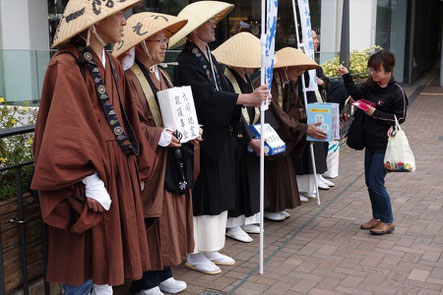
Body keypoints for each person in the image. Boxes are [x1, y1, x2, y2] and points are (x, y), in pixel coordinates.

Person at [31, 0, 157, 294]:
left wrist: (136, 165)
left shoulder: (112, 64)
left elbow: (129, 122)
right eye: (119, 15)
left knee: (109, 252)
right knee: (85, 252)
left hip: (118, 168)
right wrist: (88, 178)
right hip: (88, 172)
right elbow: (65, 128)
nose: (125, 22)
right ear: (94, 22)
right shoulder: (65, 63)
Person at [170, 1, 270, 274]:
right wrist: (245, 98)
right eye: (208, 22)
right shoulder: (187, 61)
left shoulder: (210, 59)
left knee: (220, 193)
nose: (214, 25)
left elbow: (225, 95)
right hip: (203, 139)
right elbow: (205, 97)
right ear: (193, 30)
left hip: (222, 137)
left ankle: (211, 247)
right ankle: (195, 252)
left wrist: (247, 133)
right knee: (205, 195)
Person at [113, 13, 197, 295]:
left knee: (170, 216)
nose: (165, 46)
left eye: (165, 40)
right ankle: (145, 281)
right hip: (150, 161)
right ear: (141, 45)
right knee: (152, 218)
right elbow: (129, 122)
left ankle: (164, 272)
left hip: (169, 158)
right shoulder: (127, 78)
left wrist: (189, 127)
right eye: (159, 41)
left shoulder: (162, 73)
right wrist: (156, 134)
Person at [213, 32, 278, 242]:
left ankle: (246, 218)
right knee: (237, 180)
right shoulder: (226, 78)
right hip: (236, 135)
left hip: (249, 131)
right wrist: (249, 138)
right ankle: (233, 223)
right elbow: (235, 109)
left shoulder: (245, 78)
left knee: (247, 179)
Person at [337, 49, 408, 235]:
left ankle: (388, 220)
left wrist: (374, 113)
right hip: (370, 142)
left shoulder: (396, 91)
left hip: (385, 145)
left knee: (376, 182)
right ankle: (377, 217)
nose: (373, 73)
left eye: (376, 69)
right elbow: (355, 93)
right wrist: (347, 76)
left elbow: (400, 117)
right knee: (370, 182)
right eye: (371, 69)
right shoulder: (371, 86)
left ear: (388, 69)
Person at [253, 47, 327, 221]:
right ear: (285, 67)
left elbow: (294, 107)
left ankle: (278, 205)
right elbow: (277, 112)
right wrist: (302, 128)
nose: (301, 72)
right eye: (297, 68)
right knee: (275, 163)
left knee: (283, 163)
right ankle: (271, 207)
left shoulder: (286, 81)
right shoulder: (269, 82)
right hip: (267, 130)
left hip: (281, 130)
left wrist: (303, 121)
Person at [295, 30, 334, 202]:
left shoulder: (315, 63)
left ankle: (315, 177)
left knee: (320, 145)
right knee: (306, 148)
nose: (316, 41)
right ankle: (303, 185)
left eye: (317, 38)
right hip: (303, 110)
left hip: (317, 109)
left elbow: (326, 81)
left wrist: (322, 82)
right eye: (313, 39)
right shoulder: (298, 61)